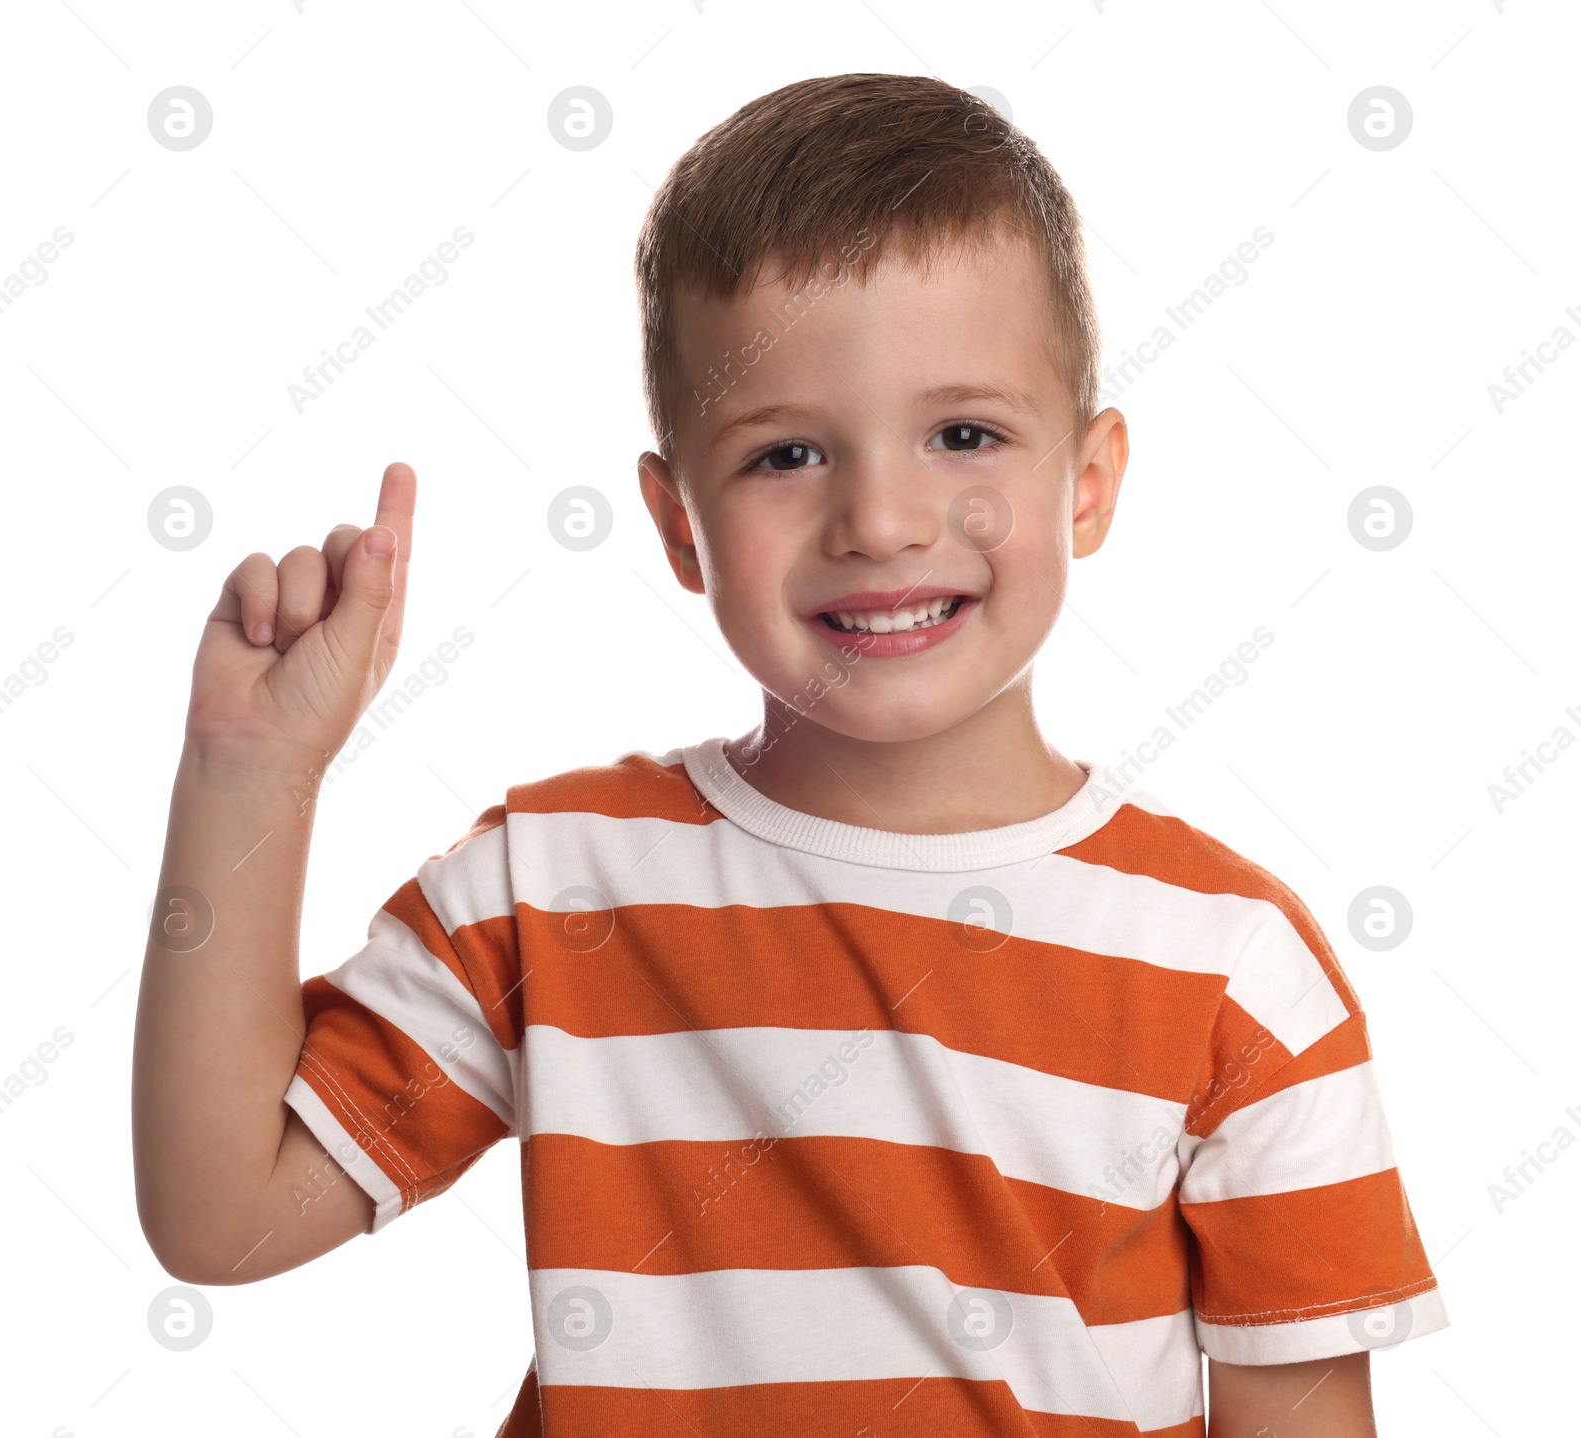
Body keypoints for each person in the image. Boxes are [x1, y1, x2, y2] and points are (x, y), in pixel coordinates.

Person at [132, 72, 1446, 1437]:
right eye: (789, 453)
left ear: (1090, 481)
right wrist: (251, 774)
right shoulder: (549, 887)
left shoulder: (1237, 971)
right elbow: (223, 1218)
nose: (879, 518)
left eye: (963, 434)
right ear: (678, 522)